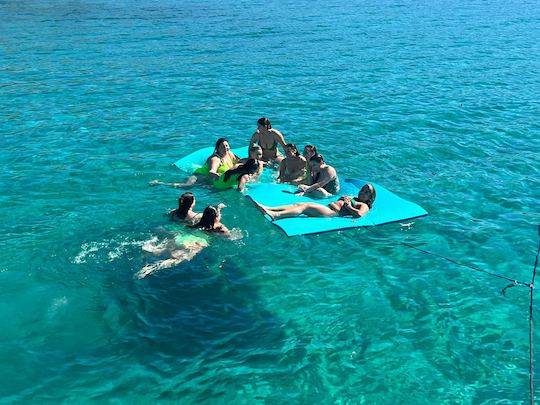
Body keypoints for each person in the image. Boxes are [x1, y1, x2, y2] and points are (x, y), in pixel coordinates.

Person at [254, 183, 376, 221]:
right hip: (327, 207)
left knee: (305, 207)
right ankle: (270, 208)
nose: (362, 192)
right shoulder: (355, 198)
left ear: (370, 197)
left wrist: (348, 206)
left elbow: (359, 214)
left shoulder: (364, 205)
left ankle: (276, 215)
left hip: (332, 212)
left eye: (366, 192)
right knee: (298, 205)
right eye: (362, 189)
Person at [149, 138, 240, 188]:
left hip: (209, 180)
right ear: (217, 148)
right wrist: (217, 174)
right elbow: (211, 171)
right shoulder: (215, 159)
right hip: (199, 177)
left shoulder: (230, 154)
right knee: (185, 186)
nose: (226, 148)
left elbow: (239, 162)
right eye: (223, 147)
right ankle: (159, 183)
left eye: (227, 146)